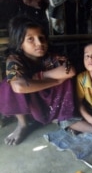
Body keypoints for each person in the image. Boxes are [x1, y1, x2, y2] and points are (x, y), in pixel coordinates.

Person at [0, 15, 78, 145]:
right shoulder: (14, 59)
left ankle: (58, 117)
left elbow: (70, 70)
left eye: (41, 38)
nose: (39, 43)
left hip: (49, 100)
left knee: (67, 79)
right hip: (29, 103)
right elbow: (19, 86)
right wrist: (54, 80)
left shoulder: (52, 56)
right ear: (20, 43)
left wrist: (40, 76)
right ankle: (23, 124)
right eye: (31, 39)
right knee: (8, 85)